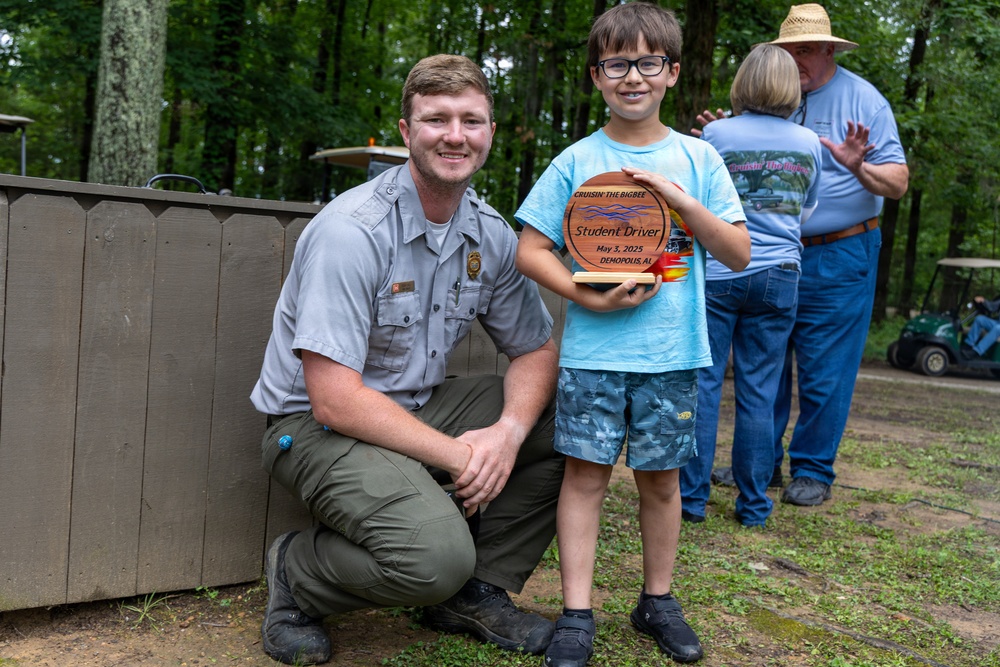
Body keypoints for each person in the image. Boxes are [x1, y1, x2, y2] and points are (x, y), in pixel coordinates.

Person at [250, 54, 565, 666]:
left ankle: (473, 593)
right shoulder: (354, 231)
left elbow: (535, 348)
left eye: (471, 120)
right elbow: (334, 399)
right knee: (435, 557)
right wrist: (459, 457)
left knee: (570, 416)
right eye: (436, 119)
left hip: (416, 409)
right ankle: (297, 573)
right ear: (406, 132)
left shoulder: (489, 232)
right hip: (313, 429)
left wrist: (507, 433)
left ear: (490, 133)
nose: (455, 135)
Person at [514, 4, 750, 665]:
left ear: (672, 72)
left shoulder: (700, 158)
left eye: (649, 62)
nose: (633, 76)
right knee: (584, 477)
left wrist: (683, 201)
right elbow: (530, 249)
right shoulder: (576, 161)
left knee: (662, 482)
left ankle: (658, 600)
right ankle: (577, 612)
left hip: (672, 353)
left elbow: (737, 253)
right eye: (617, 63)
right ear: (596, 76)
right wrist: (583, 291)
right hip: (594, 351)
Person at [695, 3, 908, 507]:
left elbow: (897, 183)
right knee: (765, 367)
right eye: (790, 50)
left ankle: (812, 470)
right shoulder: (775, 98)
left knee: (825, 369)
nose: (797, 59)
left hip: (840, 252)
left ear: (831, 50)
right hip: (764, 254)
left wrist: (859, 166)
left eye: (808, 50)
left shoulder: (865, 100)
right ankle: (759, 467)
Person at [678, 44, 823, 528]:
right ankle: (755, 506)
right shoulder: (810, 142)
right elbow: (806, 213)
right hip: (780, 275)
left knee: (704, 383)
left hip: (720, 272)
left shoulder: (717, 133)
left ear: (743, 83)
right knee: (761, 392)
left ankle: (691, 502)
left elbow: (695, 200)